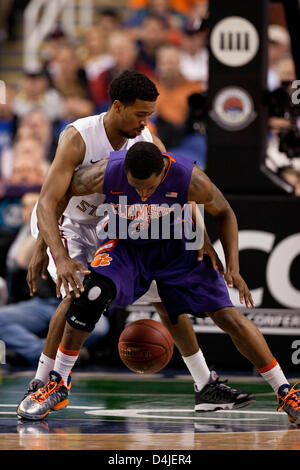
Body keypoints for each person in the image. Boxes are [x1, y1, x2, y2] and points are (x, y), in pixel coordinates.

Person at [18, 70, 253, 416]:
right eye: (140, 114)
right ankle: (44, 384)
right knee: (79, 292)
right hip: (67, 223)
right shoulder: (78, 137)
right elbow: (48, 203)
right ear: (117, 107)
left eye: (150, 115)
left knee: (163, 296)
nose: (146, 122)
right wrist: (53, 252)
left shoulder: (146, 141)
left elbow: (179, 186)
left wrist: (201, 236)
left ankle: (206, 386)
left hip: (109, 227)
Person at [18, 141, 300, 424]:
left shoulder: (189, 178)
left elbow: (224, 211)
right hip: (126, 248)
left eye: (149, 188)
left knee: (229, 317)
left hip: (176, 249)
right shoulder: (105, 172)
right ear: (124, 171)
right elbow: (54, 198)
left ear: (163, 172)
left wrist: (234, 267)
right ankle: (58, 383)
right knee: (90, 294)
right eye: (135, 187)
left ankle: (284, 391)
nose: (142, 194)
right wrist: (45, 245)